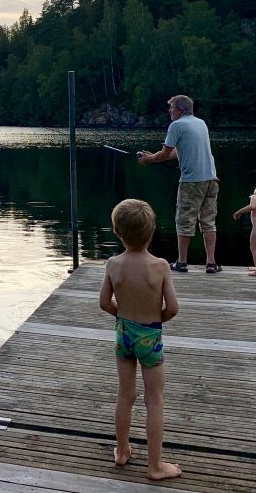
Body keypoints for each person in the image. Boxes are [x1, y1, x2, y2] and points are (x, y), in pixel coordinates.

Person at [99, 199, 182, 481]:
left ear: (117, 231)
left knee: (125, 395)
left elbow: (103, 302)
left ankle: (122, 451)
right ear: (152, 231)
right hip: (149, 334)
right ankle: (155, 466)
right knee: (154, 400)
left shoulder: (113, 264)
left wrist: (122, 317)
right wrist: (154, 320)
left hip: (124, 333)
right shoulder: (159, 266)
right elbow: (172, 308)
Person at [137, 95, 220, 274]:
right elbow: (176, 151)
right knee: (208, 222)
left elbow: (164, 154)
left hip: (191, 183)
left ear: (181, 110)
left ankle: (181, 262)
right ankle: (211, 263)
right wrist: (153, 156)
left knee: (184, 221)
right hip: (211, 179)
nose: (170, 110)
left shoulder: (177, 125)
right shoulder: (200, 123)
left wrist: (148, 159)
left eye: (172, 107)